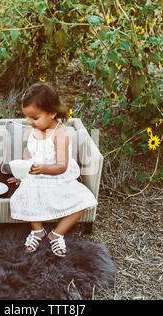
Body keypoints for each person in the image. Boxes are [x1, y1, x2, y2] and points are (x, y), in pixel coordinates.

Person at [7, 83, 97, 257]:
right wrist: (23, 173)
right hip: (37, 175)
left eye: (35, 118)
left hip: (58, 176)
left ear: (52, 113)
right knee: (28, 193)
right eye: (27, 117)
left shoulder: (60, 134)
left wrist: (44, 169)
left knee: (84, 201)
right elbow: (28, 152)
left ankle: (57, 234)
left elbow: (62, 166)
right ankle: (38, 230)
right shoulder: (32, 131)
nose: (29, 122)